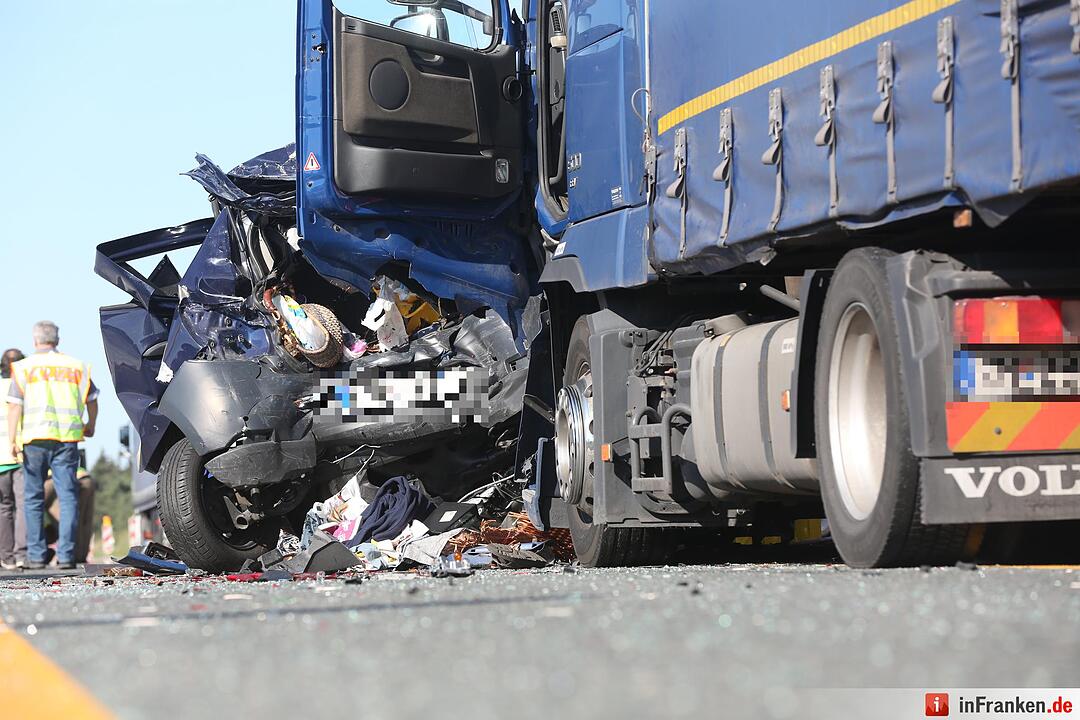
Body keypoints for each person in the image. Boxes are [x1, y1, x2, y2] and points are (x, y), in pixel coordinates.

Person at [7, 322, 98, 570]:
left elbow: (14, 404)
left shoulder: (24, 368)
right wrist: (91, 425)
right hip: (67, 439)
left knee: (33, 498)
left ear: (36, 341)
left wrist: (13, 439)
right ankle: (67, 556)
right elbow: (92, 399)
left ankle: (36, 556)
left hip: (34, 440)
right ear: (57, 340)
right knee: (68, 497)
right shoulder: (76, 366)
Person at [0, 348, 26, 569]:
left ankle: (6, 557)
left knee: (4, 507)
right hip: (20, 453)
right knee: (23, 505)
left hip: (0, 458)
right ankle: (21, 555)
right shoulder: (23, 387)